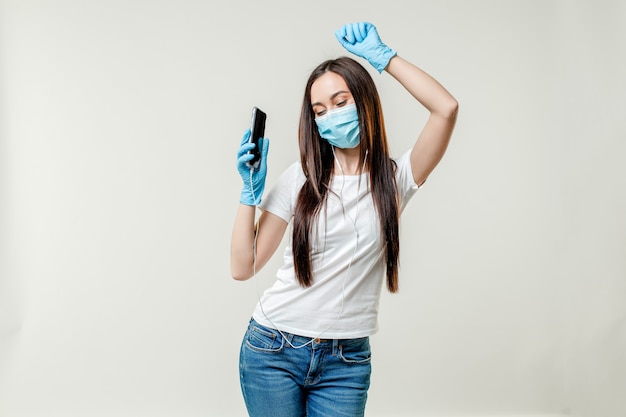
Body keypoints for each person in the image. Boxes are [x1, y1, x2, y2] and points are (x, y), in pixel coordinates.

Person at [231, 21, 458, 417]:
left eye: (340, 102)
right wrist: (248, 195)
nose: (330, 115)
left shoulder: (394, 179)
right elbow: (242, 266)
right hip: (273, 350)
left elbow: (446, 108)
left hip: (346, 363)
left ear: (365, 102)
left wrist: (386, 60)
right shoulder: (299, 178)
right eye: (320, 110)